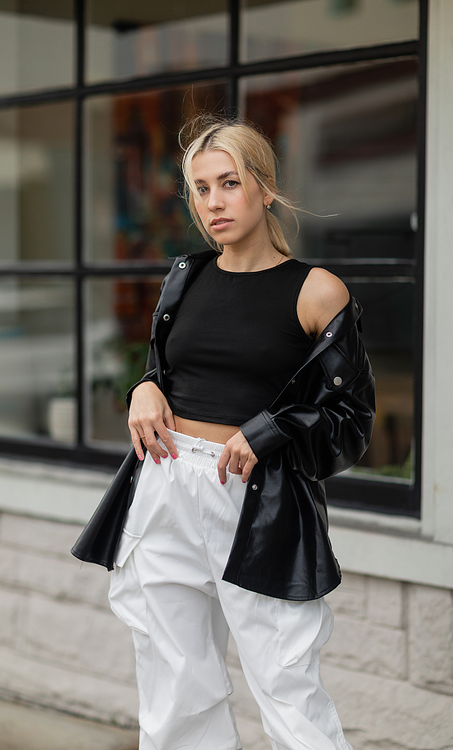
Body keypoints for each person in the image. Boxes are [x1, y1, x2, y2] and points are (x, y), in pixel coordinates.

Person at [108, 115, 375, 750]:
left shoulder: (315, 291)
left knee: (287, 685)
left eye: (229, 183)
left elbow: (351, 422)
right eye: (200, 189)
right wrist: (142, 387)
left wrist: (270, 432)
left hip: (259, 497)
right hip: (166, 483)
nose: (213, 203)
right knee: (175, 685)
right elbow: (166, 374)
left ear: (265, 188)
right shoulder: (186, 278)